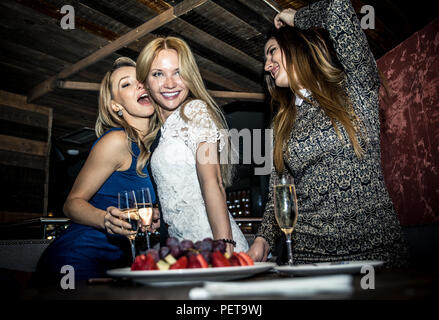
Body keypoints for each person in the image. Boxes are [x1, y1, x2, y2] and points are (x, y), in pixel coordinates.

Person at [247, 0, 408, 267]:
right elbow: (280, 190)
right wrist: (263, 239)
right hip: (309, 258)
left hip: (377, 254)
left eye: (272, 52)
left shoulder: (355, 88)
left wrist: (295, 17)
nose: (267, 65)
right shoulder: (281, 123)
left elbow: (338, 9)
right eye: (265, 58)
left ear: (296, 45)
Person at [36, 57, 161, 281]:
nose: (140, 85)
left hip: (122, 262)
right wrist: (106, 219)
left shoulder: (156, 148)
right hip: (79, 258)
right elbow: (72, 204)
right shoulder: (117, 141)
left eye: (141, 79)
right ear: (116, 105)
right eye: (126, 84)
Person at [136, 36, 249, 254]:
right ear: (145, 82)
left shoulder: (195, 111)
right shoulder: (164, 131)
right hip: (184, 249)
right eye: (158, 74)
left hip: (212, 245)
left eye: (178, 72)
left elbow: (212, 181)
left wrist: (225, 247)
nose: (169, 83)